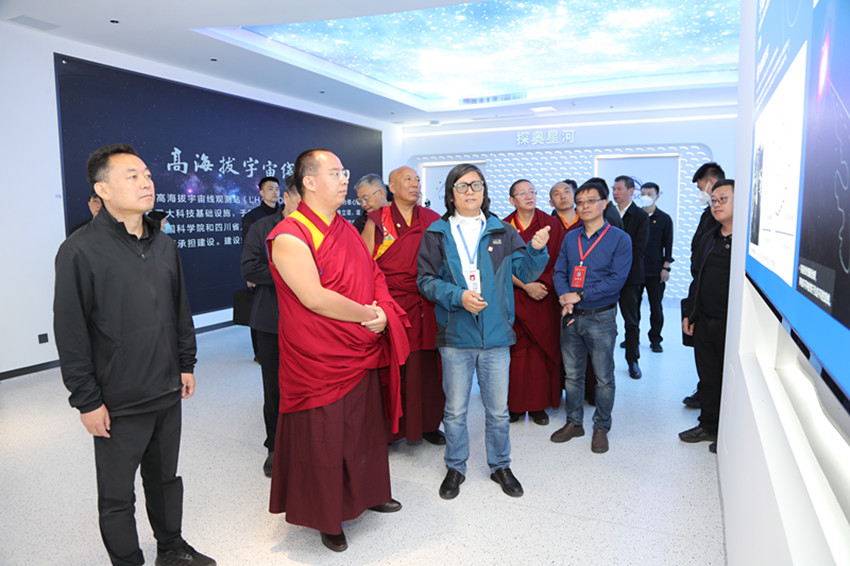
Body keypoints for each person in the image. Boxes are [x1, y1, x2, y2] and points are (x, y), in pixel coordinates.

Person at [53, 144, 215, 566]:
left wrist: (186, 363)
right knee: (117, 495)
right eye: (132, 176)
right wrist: (87, 400)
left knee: (165, 479)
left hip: (166, 387)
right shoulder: (79, 250)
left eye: (147, 174)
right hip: (118, 398)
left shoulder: (164, 244)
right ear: (102, 189)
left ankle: (171, 548)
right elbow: (70, 332)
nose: (146, 182)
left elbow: (179, 309)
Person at [266, 149, 408, 552]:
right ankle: (327, 516)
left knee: (363, 428)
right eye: (335, 172)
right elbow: (314, 298)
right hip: (318, 356)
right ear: (310, 182)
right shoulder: (290, 235)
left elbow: (373, 272)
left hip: (359, 347)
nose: (344, 179)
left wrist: (383, 312)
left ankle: (370, 492)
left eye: (344, 172)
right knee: (324, 437)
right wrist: (368, 314)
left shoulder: (345, 227)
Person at [417, 163, 550, 500]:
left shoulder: (502, 231)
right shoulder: (436, 233)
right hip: (455, 335)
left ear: (485, 191)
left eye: (477, 185)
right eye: (462, 186)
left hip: (495, 335)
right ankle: (455, 467)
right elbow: (425, 281)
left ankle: (500, 465)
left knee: (498, 411)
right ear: (451, 195)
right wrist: (458, 296)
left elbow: (526, 272)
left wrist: (536, 249)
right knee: (455, 411)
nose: (471, 191)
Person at [362, 165, 446, 445]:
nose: (415, 184)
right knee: (395, 366)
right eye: (408, 179)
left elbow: (445, 260)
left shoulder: (432, 219)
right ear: (392, 187)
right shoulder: (378, 220)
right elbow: (365, 264)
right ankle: (391, 430)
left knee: (428, 368)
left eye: (417, 179)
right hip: (393, 305)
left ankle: (428, 424)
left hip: (427, 303)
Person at [551, 180, 631, 454]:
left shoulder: (620, 239)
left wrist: (580, 294)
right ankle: (574, 422)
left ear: (604, 204)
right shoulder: (570, 238)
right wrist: (565, 296)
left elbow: (617, 280)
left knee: (603, 377)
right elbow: (559, 272)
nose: (584, 206)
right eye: (580, 202)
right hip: (571, 315)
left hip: (601, 317)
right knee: (572, 375)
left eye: (591, 201)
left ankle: (601, 427)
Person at [240, 176, 301, 477]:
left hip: (310, 321)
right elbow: (250, 268)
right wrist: (293, 272)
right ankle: (274, 446)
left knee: (308, 384)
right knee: (274, 387)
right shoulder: (261, 227)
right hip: (271, 320)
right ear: (287, 197)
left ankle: (307, 442)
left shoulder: (316, 228)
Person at [679, 179, 735, 454]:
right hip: (704, 319)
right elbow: (696, 278)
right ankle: (708, 425)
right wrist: (690, 312)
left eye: (723, 199)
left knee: (729, 379)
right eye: (713, 200)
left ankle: (728, 432)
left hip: (731, 323)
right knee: (708, 376)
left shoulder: (746, 244)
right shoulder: (709, 238)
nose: (716, 204)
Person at [504, 179, 565, 425]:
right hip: (514, 297)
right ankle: (515, 406)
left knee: (541, 352)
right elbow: (498, 266)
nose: (529, 196)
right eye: (522, 193)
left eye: (532, 192)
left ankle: (539, 406)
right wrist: (525, 286)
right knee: (515, 354)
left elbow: (560, 261)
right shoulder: (503, 227)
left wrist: (543, 286)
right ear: (512, 200)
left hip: (544, 296)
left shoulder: (551, 224)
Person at [682, 162, 726, 408]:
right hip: (701, 288)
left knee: (715, 358)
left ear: (711, 182)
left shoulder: (721, 220)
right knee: (704, 355)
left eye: (701, 188)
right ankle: (706, 397)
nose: (702, 194)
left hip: (718, 302)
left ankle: (711, 402)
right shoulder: (707, 215)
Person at [611, 175, 650, 379]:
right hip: (607, 276)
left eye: (619, 189)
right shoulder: (607, 213)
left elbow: (638, 248)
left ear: (631, 191)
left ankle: (632, 360)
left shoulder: (641, 216)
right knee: (604, 321)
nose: (615, 192)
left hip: (630, 276)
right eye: (614, 189)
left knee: (631, 320)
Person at [242, 176, 281, 362]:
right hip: (261, 268)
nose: (274, 192)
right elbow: (247, 247)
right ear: (261, 192)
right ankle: (259, 352)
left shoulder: (285, 214)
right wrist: (249, 275)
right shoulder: (252, 217)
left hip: (280, 267)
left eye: (277, 189)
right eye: (270, 188)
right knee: (259, 310)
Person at [640, 182, 674, 353]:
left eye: (649, 194)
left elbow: (668, 245)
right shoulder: (636, 216)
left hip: (656, 270)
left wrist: (666, 268)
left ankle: (655, 339)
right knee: (632, 306)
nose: (646, 197)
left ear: (657, 197)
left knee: (656, 307)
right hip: (637, 269)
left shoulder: (664, 218)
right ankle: (632, 337)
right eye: (643, 194)